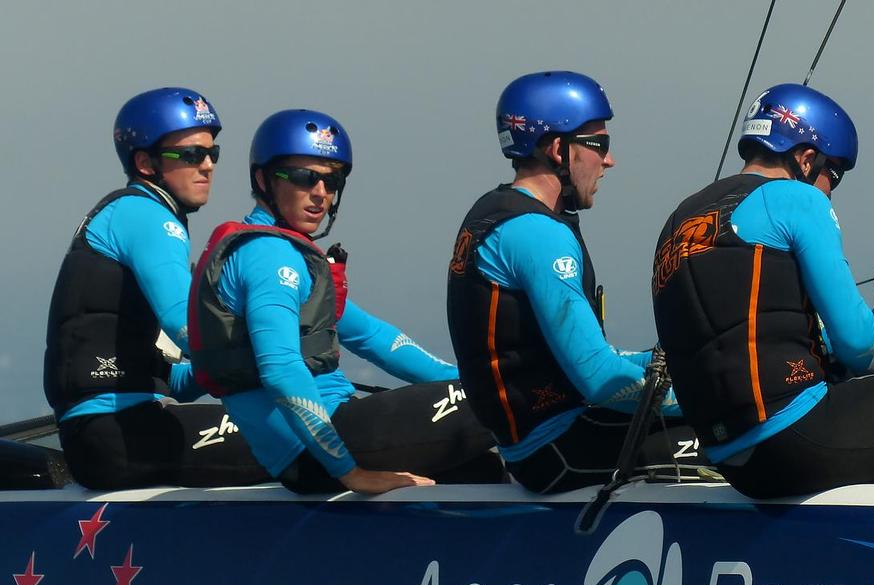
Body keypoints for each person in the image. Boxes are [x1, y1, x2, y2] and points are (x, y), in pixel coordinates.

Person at [651, 82, 874, 499]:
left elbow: (751, 336)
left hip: (736, 461)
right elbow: (856, 346)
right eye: (832, 173)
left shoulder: (681, 218)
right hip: (798, 440)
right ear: (806, 158)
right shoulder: (797, 200)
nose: (830, 189)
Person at [189, 109, 504, 495]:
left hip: (332, 436)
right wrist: (350, 473)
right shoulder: (270, 258)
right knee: (508, 398)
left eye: (331, 180)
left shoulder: (286, 252)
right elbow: (281, 371)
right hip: (321, 448)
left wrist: (462, 380)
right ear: (263, 179)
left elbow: (375, 338)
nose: (321, 192)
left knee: (482, 466)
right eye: (305, 178)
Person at [447, 71, 702, 494]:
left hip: (539, 443)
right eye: (598, 144)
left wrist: (667, 364)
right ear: (558, 149)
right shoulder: (538, 234)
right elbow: (598, 377)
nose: (609, 160)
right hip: (559, 453)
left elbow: (582, 355)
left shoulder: (495, 211)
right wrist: (713, 394)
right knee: (734, 431)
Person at [44, 87, 267, 490]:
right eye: (190, 155)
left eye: (212, 153)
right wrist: (275, 350)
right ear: (145, 163)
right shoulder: (144, 215)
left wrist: (239, 363)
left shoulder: (142, 217)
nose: (207, 165)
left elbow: (169, 380)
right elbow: (189, 326)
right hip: (116, 433)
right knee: (300, 433)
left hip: (116, 429)